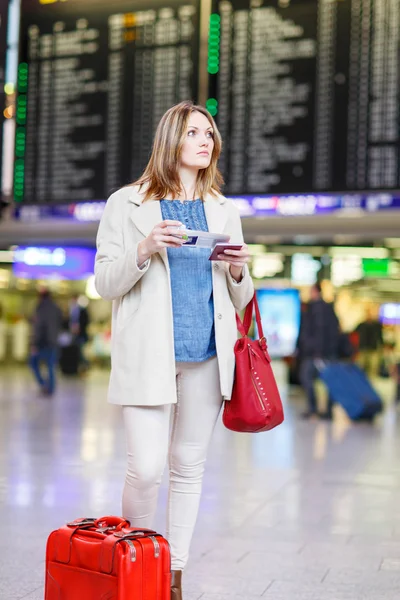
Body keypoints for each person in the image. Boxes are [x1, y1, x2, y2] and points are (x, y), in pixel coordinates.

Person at [94, 101, 253, 600]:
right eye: (193, 133)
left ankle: (172, 576)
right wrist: (144, 249)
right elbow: (104, 281)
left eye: (210, 133)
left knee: (188, 468)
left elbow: (242, 299)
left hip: (208, 355)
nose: (205, 141)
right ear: (170, 141)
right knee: (145, 467)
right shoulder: (127, 204)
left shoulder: (224, 209)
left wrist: (238, 270)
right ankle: (136, 564)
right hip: (150, 355)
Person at [297, 283, 340, 420]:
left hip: (317, 353)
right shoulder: (327, 308)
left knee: (307, 378)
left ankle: (314, 408)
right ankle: (326, 410)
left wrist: (316, 351)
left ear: (315, 291)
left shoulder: (317, 309)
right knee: (329, 381)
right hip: (325, 352)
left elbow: (318, 332)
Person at [29, 289, 62, 396]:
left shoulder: (40, 308)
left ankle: (43, 384)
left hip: (43, 343)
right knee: (51, 366)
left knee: (33, 363)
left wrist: (34, 343)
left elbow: (39, 327)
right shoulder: (56, 308)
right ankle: (50, 389)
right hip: (54, 341)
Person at [355, 309, 383, 377]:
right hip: (363, 347)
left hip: (373, 348)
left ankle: (372, 379)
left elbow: (380, 336)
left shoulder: (377, 325)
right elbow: (354, 334)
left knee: (373, 366)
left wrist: (382, 346)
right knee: (361, 365)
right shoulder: (361, 325)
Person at [69, 294, 90, 371]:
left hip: (81, 335)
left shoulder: (82, 311)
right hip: (77, 335)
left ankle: (86, 365)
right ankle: (80, 368)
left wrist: (79, 328)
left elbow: (84, 323)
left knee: (80, 353)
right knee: (77, 352)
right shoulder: (74, 310)